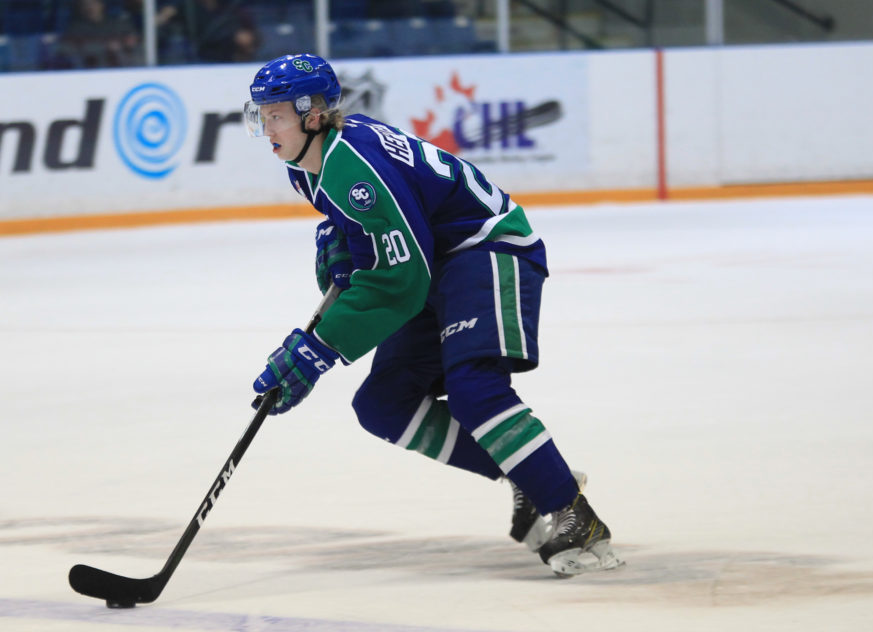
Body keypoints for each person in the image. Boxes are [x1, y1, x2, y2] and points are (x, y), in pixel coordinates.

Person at [244, 53, 623, 577]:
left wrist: (319, 348)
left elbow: (398, 280)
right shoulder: (308, 165)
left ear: (312, 116)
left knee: (474, 389)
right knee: (383, 404)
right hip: (435, 264)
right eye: (260, 115)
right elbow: (372, 237)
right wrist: (337, 240)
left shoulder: (353, 168)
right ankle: (531, 473)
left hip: (487, 249)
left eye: (275, 115)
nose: (266, 128)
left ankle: (570, 511)